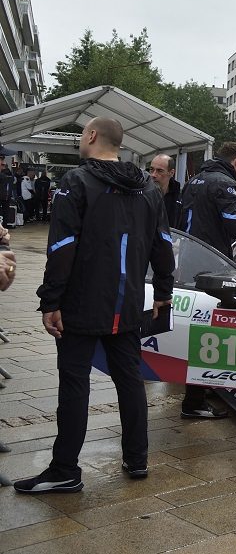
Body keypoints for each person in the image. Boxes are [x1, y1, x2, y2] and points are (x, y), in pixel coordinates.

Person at [14, 118, 175, 495]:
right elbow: (163, 245)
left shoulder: (77, 181)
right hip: (127, 304)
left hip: (81, 304)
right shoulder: (149, 189)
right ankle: (137, 458)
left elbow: (61, 247)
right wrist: (163, 291)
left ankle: (65, 468)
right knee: (130, 380)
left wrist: (50, 300)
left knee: (74, 383)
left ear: (90, 136)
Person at [178, 142, 236, 419]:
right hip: (212, 263)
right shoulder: (224, 183)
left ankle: (198, 388)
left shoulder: (195, 180)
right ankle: (195, 401)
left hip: (189, 259)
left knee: (194, 326)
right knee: (209, 330)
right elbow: (234, 225)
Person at [147, 155, 180, 227]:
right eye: (151, 169)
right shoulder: (142, 194)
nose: (153, 175)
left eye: (160, 171)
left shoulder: (180, 198)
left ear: (171, 173)